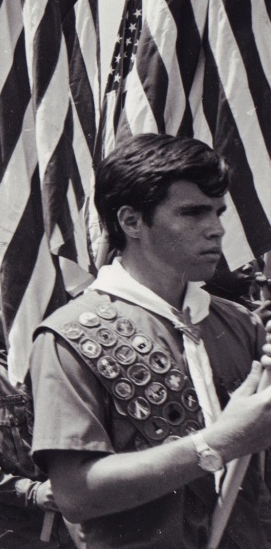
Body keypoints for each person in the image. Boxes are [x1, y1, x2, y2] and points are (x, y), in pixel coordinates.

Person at [30, 133, 271, 548]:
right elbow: (75, 494)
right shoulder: (68, 335)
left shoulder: (239, 323)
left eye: (217, 212)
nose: (216, 229)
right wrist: (218, 443)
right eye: (193, 213)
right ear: (131, 221)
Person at [0, 268, 73, 547]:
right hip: (16, 529)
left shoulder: (66, 369)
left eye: (32, 299)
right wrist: (31, 492)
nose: (26, 310)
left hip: (73, 526)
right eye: (10, 305)